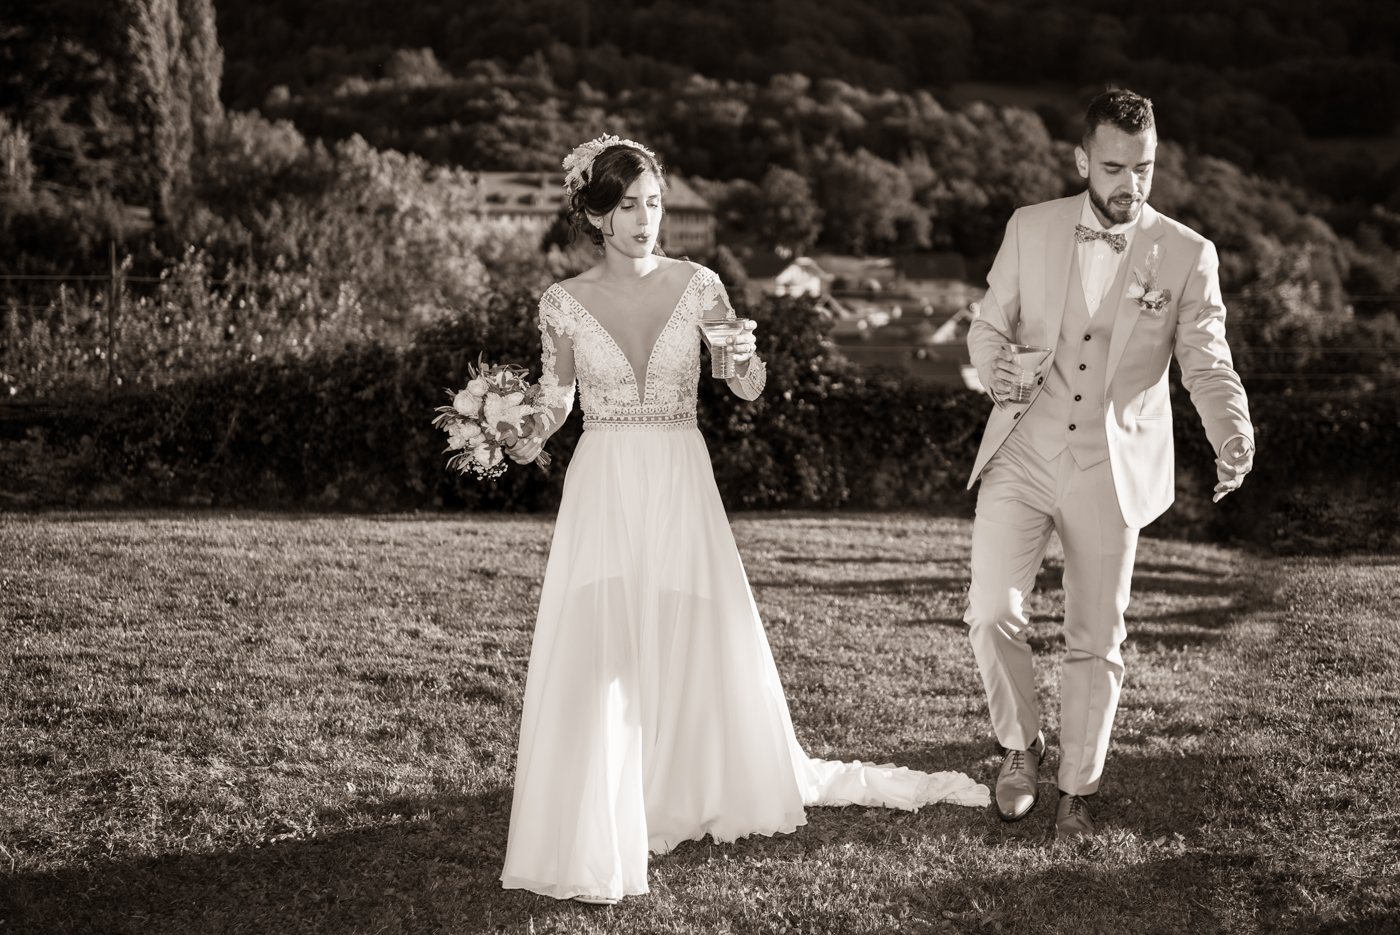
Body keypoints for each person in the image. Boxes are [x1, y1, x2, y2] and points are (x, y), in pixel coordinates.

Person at [499, 135, 988, 905]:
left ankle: (685, 781)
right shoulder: (562, 301)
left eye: (653, 202)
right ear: (595, 214)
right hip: (603, 475)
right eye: (628, 205)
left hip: (679, 471)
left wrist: (744, 361)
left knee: (687, 624)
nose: (645, 219)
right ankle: (607, 792)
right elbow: (558, 397)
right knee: (604, 631)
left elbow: (747, 386)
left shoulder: (700, 285)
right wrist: (524, 433)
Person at [963, 89, 1255, 840]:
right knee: (992, 610)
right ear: (1081, 160)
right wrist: (995, 367)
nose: (1132, 184)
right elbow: (988, 326)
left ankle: (1077, 789)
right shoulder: (1029, 226)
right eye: (1115, 167)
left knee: (1096, 635)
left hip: (1111, 464)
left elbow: (1207, 358)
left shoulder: (1187, 252)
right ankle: (1020, 746)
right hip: (1024, 449)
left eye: (1144, 168)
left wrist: (1232, 432)